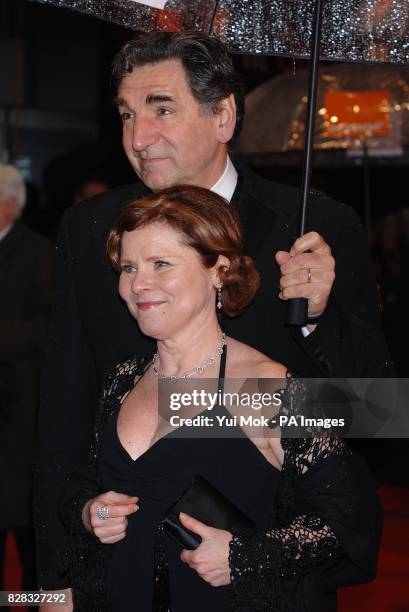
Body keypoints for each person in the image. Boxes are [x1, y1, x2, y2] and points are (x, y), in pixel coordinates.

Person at [35, 31, 392, 595]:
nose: (138, 137)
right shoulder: (91, 228)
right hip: (118, 575)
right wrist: (52, 586)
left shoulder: (314, 224)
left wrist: (316, 322)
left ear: (223, 115)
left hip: (261, 580)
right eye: (126, 114)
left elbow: (376, 412)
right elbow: (62, 420)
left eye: (163, 109)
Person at [60, 185, 382, 611]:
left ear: (218, 271)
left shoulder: (273, 388)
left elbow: (349, 524)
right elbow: (84, 484)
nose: (139, 285)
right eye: (129, 267)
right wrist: (90, 512)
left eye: (161, 264)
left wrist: (243, 557)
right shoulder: (122, 379)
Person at [0, 164, 54, 593]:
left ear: (7, 205)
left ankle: (40, 602)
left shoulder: (39, 254)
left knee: (33, 540)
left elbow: (51, 331)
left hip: (23, 417)